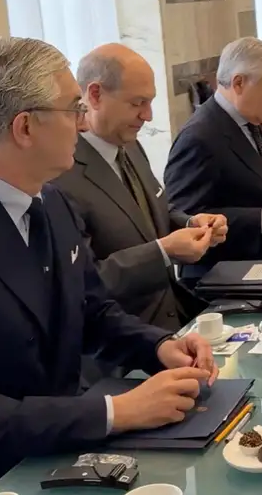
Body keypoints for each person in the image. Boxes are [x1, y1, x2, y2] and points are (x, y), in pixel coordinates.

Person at [0, 37, 218, 495]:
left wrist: (157, 347)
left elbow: (92, 311)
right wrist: (118, 411)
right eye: (73, 108)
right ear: (25, 127)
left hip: (52, 448)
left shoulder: (51, 202)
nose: (83, 121)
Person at [53, 44, 227, 330]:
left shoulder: (129, 145)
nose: (147, 115)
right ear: (95, 95)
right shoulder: (60, 172)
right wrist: (163, 252)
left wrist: (192, 223)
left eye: (149, 102)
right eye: (137, 103)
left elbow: (152, 212)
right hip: (123, 336)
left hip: (175, 317)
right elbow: (85, 282)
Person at [165, 37, 262, 282]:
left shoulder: (248, 118)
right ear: (239, 83)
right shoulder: (199, 137)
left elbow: (242, 185)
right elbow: (186, 217)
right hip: (225, 276)